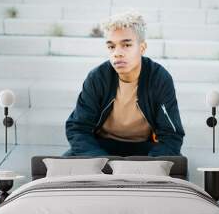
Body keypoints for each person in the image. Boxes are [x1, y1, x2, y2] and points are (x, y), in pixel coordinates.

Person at [63, 11, 185, 157]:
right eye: (111, 47)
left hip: (145, 149)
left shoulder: (159, 78)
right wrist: (102, 161)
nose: (117, 53)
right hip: (101, 147)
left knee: (177, 169)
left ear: (142, 48)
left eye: (126, 45)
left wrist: (148, 166)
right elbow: (78, 127)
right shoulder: (98, 77)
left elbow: (171, 135)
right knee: (63, 170)